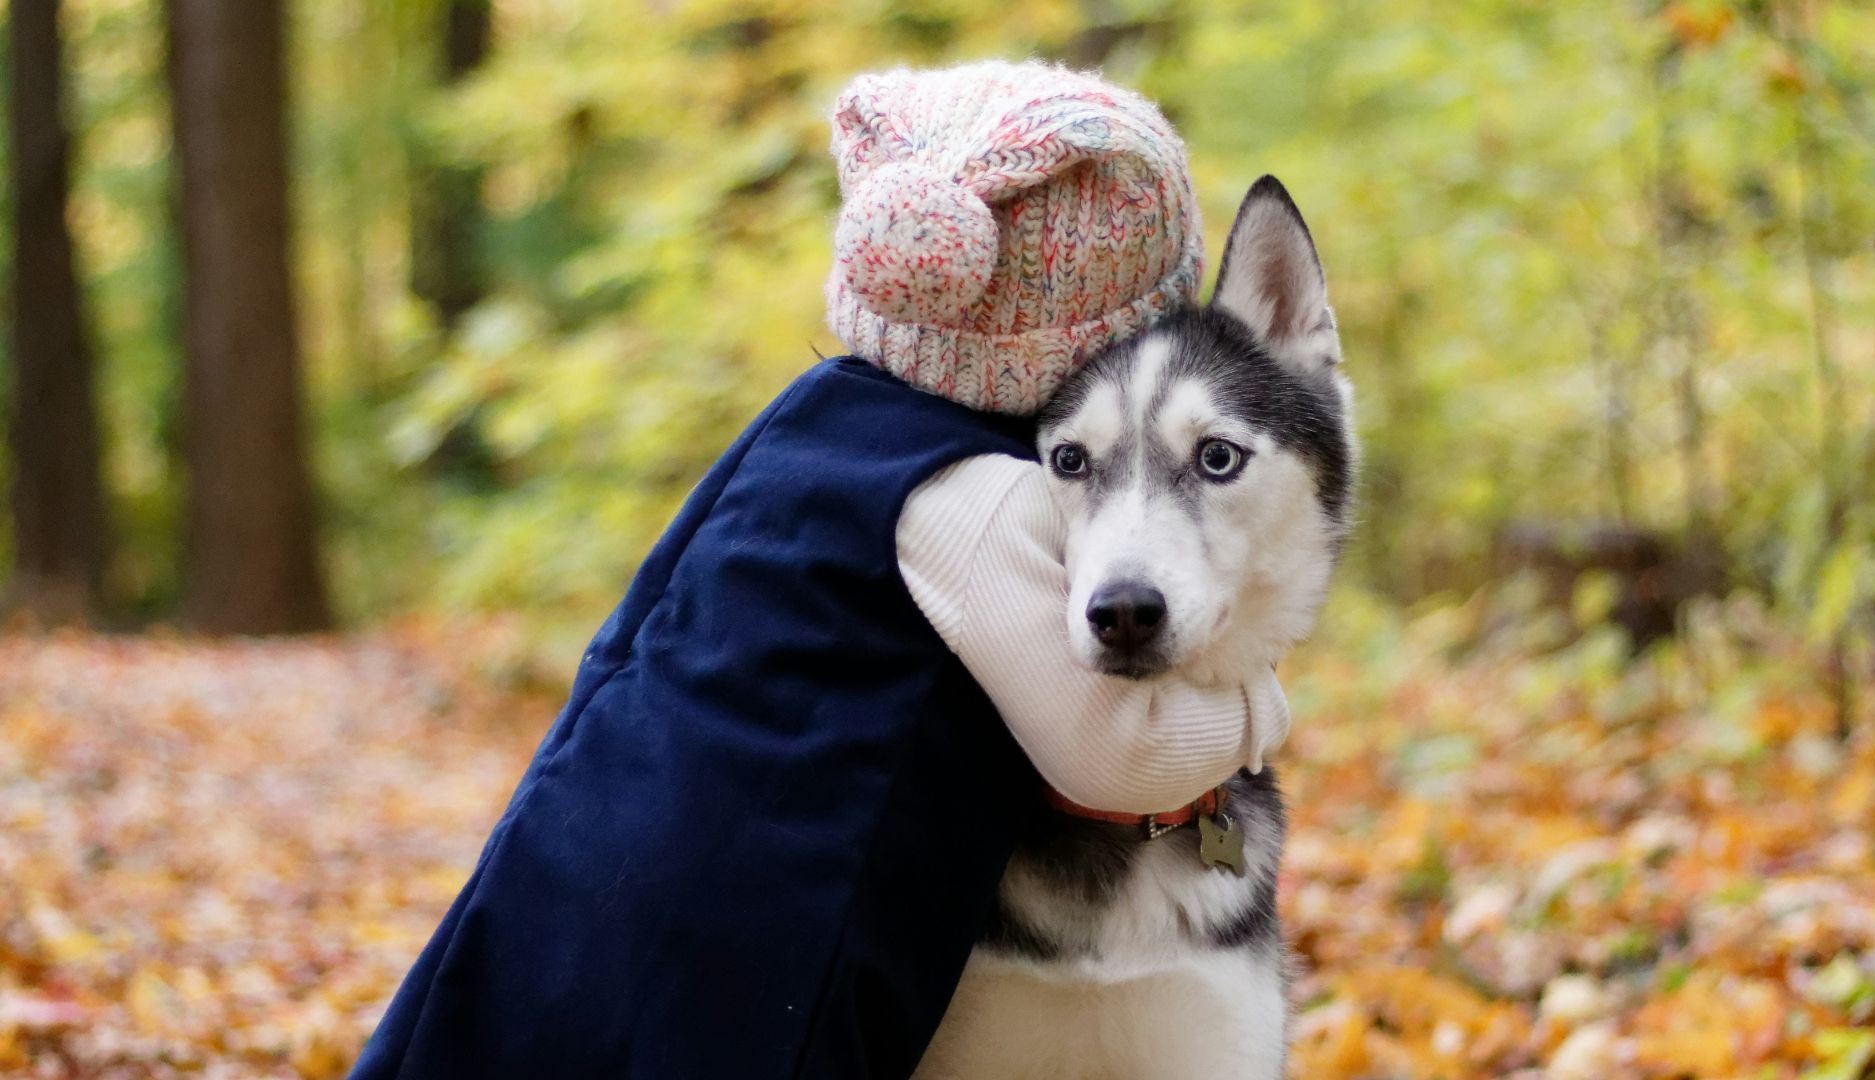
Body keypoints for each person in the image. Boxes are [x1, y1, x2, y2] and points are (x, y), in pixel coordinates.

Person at [348, 60, 1288, 1079]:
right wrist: (1256, 710)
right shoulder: (979, 497)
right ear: (1117, 332)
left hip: (589, 858)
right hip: (757, 924)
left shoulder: (807, 422)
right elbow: (1115, 756)